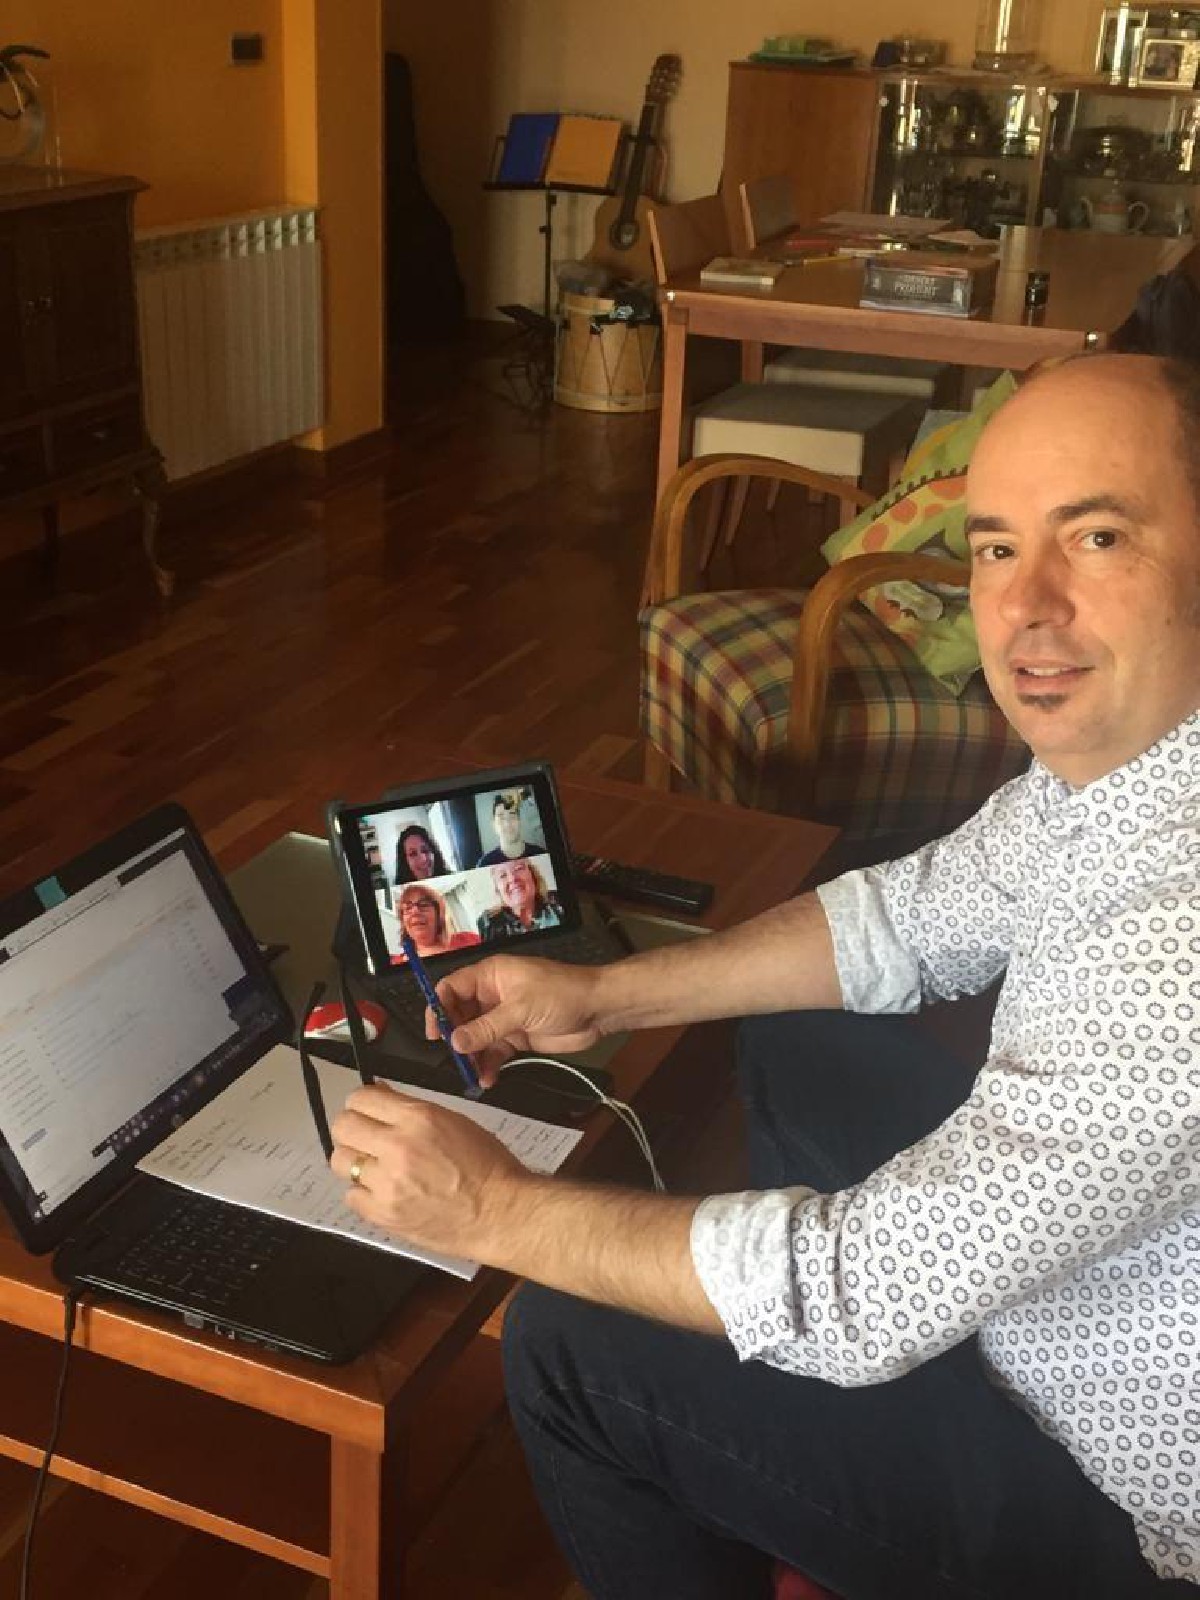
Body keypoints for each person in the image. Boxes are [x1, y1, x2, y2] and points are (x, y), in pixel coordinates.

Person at [329, 356, 1200, 1598]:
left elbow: (864, 1288)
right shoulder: (1127, 774)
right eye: (998, 548)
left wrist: (492, 1211)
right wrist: (606, 994)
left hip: (1124, 1509)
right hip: (1051, 1311)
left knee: (571, 1346)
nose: (1024, 606)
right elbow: (904, 918)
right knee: (797, 1034)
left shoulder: (1177, 938)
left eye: (1098, 536)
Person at [475, 857, 563, 940]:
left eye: (518, 868)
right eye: (503, 875)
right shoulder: (488, 923)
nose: (512, 879)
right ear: (498, 889)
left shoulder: (558, 901)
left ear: (533, 875)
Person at [394, 883, 479, 959]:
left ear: (438, 914)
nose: (415, 911)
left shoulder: (470, 940)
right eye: (408, 908)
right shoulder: (395, 962)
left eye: (423, 905)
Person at [476, 789, 543, 867]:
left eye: (512, 815)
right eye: (501, 818)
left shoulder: (540, 854)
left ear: (519, 821)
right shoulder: (484, 864)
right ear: (494, 825)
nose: (507, 823)